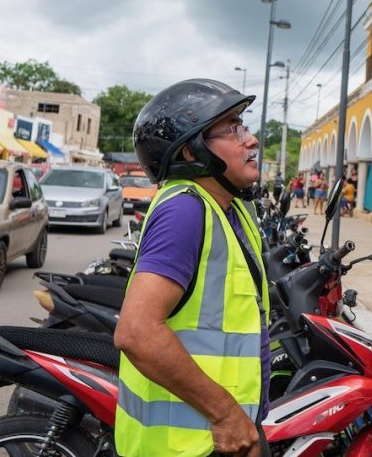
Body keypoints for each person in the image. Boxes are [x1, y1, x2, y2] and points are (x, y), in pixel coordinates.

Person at [114, 79, 268, 456]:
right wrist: (226, 415)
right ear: (190, 151)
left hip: (220, 438)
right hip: (189, 444)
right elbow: (136, 331)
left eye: (243, 126)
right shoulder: (185, 210)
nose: (250, 140)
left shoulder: (231, 209)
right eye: (233, 129)